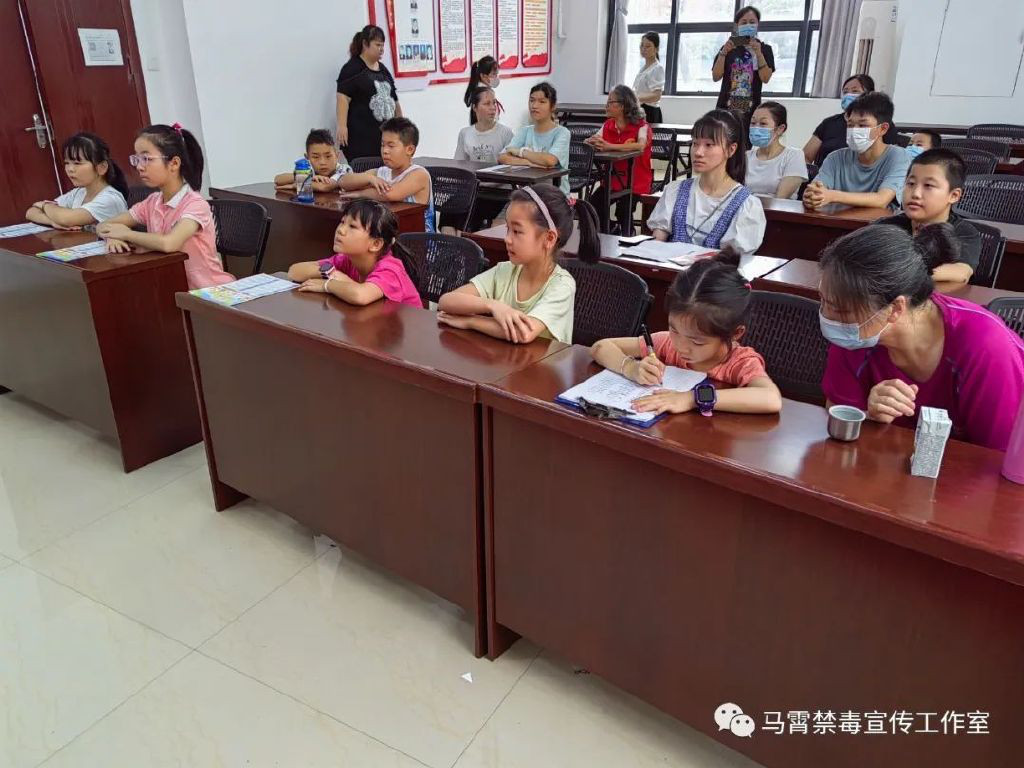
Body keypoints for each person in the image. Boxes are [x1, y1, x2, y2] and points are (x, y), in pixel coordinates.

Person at [819, 224, 1024, 451]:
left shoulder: (984, 346)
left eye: (839, 309)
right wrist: (869, 416)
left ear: (896, 308)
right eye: (824, 301)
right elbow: (837, 415)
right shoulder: (854, 336)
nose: (827, 317)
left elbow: (1000, 456)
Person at [591, 249, 781, 415]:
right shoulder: (666, 343)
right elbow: (601, 347)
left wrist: (692, 398)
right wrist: (631, 368)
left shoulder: (739, 362)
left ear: (735, 333)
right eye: (674, 329)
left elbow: (771, 398)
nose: (680, 346)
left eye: (697, 341)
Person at [436, 184, 600, 344]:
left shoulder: (562, 285)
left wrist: (471, 321)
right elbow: (447, 301)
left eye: (517, 231)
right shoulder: (505, 271)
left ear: (549, 238)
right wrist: (493, 306)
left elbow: (523, 332)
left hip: (543, 363)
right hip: (505, 359)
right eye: (507, 229)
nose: (507, 239)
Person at [96, 123, 234, 290]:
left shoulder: (195, 205)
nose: (139, 166)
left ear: (174, 163)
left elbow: (169, 243)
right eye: (137, 159)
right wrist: (113, 237)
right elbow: (103, 225)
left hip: (209, 292)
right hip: (174, 288)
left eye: (146, 159)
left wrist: (126, 233)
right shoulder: (152, 202)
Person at [646, 109, 766, 255]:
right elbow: (656, 244)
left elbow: (731, 260)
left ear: (731, 149)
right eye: (695, 143)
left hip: (715, 270)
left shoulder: (746, 204)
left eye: (709, 145)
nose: (698, 152)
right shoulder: (675, 191)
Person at [286, 199, 421, 307]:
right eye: (342, 222)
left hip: (406, 331)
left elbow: (360, 295)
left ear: (375, 244)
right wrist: (331, 273)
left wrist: (327, 285)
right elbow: (294, 271)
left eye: (352, 226)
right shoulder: (346, 259)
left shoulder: (390, 269)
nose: (340, 230)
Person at [879, 149, 980, 285]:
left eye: (928, 186)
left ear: (954, 195)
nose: (915, 193)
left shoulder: (963, 231)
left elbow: (961, 272)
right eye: (911, 183)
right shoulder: (886, 226)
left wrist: (898, 272)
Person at [803, 92, 909, 211]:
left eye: (862, 125)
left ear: (883, 129)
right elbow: (815, 190)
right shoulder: (835, 158)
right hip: (835, 220)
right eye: (850, 125)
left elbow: (882, 200)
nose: (854, 130)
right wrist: (811, 196)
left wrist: (832, 196)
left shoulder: (899, 156)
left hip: (875, 222)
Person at [339, 117, 435, 233]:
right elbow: (343, 181)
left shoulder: (419, 174)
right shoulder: (381, 172)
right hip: (388, 233)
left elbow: (390, 194)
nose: (385, 151)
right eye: (382, 145)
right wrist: (369, 178)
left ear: (409, 149)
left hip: (418, 238)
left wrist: (360, 194)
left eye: (391, 146)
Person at [584, 84, 653, 234]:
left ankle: (629, 235)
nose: (606, 106)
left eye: (610, 102)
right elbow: (594, 139)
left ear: (622, 106)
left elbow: (640, 146)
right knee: (592, 205)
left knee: (623, 210)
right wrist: (591, 142)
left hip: (636, 181)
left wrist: (609, 146)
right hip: (612, 180)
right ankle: (612, 230)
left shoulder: (641, 126)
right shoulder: (608, 125)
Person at [25, 132, 128, 229]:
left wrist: (44, 205)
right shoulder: (79, 193)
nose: (70, 169)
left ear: (102, 167)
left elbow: (66, 219)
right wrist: (52, 221)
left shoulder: (110, 199)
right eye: (67, 163)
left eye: (77, 163)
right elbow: (31, 212)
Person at [803, 74, 901, 166]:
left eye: (855, 91)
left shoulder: (880, 125)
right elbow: (806, 156)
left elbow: (891, 158)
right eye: (845, 92)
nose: (848, 95)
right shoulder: (829, 123)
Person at [336, 25, 401, 162]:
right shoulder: (353, 69)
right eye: (377, 45)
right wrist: (342, 126)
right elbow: (342, 98)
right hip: (361, 137)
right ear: (365, 44)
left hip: (384, 137)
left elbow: (394, 99)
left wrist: (401, 126)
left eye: (382, 45)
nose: (381, 49)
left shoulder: (383, 70)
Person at [499, 83, 571, 195]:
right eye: (532, 100)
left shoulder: (562, 133)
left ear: (553, 106)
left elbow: (550, 160)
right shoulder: (525, 131)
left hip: (554, 195)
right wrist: (528, 163)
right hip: (527, 194)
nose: (534, 106)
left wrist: (520, 152)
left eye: (542, 102)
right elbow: (503, 157)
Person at [712, 5, 774, 131]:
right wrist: (723, 53)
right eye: (744, 22)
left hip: (751, 111)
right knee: (723, 140)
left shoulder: (765, 49)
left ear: (757, 24)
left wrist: (758, 53)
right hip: (726, 110)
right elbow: (716, 76)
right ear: (737, 25)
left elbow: (765, 78)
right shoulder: (729, 47)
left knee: (746, 142)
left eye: (752, 22)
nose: (748, 25)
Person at [744, 101, 807, 199]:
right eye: (753, 123)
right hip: (745, 207)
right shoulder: (746, 156)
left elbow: (780, 198)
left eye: (763, 123)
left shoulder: (793, 156)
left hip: (776, 208)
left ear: (780, 129)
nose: (756, 128)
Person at [273, 129, 352, 193]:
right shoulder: (309, 170)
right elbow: (278, 180)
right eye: (316, 157)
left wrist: (297, 185)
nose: (322, 162)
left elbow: (324, 187)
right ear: (307, 157)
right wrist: (308, 177)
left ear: (337, 156)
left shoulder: (344, 169)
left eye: (328, 156)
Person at [455, 87, 515, 163]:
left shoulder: (506, 133)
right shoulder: (465, 133)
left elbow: (512, 164)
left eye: (494, 103)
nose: (493, 108)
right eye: (487, 104)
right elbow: (459, 164)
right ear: (474, 107)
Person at [633, 32, 666, 124]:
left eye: (648, 46)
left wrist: (635, 98)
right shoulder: (643, 68)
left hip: (650, 112)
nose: (643, 49)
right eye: (642, 45)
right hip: (640, 109)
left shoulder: (657, 68)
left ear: (656, 49)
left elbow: (656, 96)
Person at [463, 56, 504, 123]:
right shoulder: (483, 94)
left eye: (497, 74)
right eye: (494, 74)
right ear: (483, 76)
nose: (496, 77)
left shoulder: (484, 90)